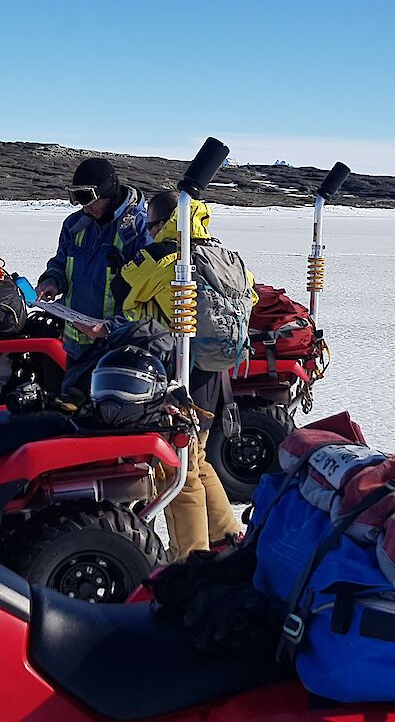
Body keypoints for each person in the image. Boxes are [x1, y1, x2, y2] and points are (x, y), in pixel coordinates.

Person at [116, 190, 249, 556]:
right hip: (215, 376)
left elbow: (123, 289)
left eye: (151, 224)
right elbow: (250, 295)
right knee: (198, 457)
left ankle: (191, 558)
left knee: (177, 472)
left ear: (162, 223)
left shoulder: (162, 256)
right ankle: (226, 535)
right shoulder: (224, 255)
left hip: (177, 373)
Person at [37, 157, 150, 360]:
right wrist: (52, 280)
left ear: (109, 192)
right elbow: (60, 263)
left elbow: (149, 297)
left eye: (90, 201)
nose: (85, 209)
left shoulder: (139, 230)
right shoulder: (74, 225)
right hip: (75, 347)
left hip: (118, 349)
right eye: (80, 202)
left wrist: (110, 328)